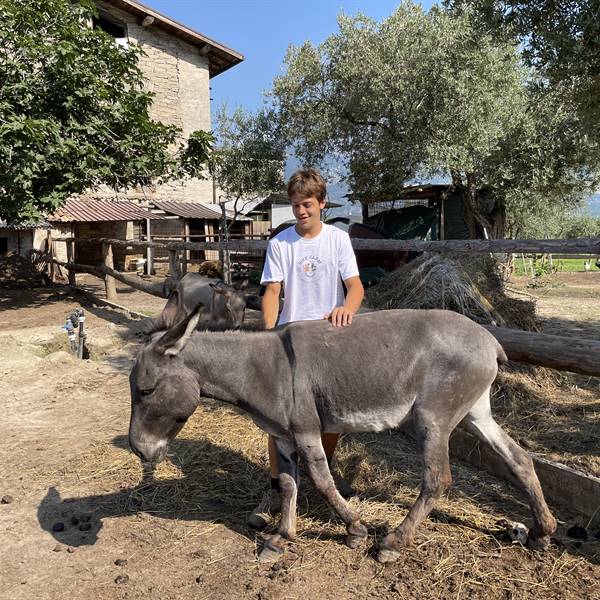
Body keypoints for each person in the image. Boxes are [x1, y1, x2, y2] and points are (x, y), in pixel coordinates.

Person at [248, 168, 364, 530]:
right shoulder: (281, 243)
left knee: (332, 414)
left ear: (322, 204)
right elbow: (272, 292)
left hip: (330, 340)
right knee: (278, 421)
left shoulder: (337, 240)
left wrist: (347, 307)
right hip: (290, 340)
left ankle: (320, 476)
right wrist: (269, 336)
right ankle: (275, 487)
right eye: (296, 205)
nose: (301, 212)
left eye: (308, 205)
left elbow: (356, 287)